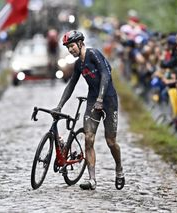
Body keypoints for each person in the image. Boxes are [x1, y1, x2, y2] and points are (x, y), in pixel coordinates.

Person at [52, 30, 124, 190]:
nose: (70, 50)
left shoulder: (94, 54)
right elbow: (71, 84)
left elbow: (106, 75)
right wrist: (59, 105)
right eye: (68, 48)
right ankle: (92, 180)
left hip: (108, 100)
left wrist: (101, 99)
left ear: (80, 43)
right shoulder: (79, 64)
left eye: (72, 46)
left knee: (111, 142)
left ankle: (118, 168)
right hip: (92, 101)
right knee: (88, 138)